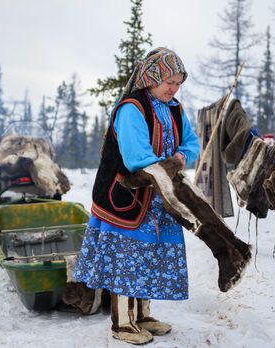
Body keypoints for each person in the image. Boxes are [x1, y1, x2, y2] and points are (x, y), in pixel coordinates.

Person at [74, 47, 200, 345]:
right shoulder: (132, 108)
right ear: (151, 77)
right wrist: (168, 164)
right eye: (169, 81)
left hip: (158, 196)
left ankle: (142, 315)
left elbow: (192, 143)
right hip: (127, 196)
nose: (174, 87)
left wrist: (181, 157)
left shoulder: (174, 109)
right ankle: (122, 323)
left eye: (179, 82)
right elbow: (136, 157)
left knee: (150, 255)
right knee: (127, 258)